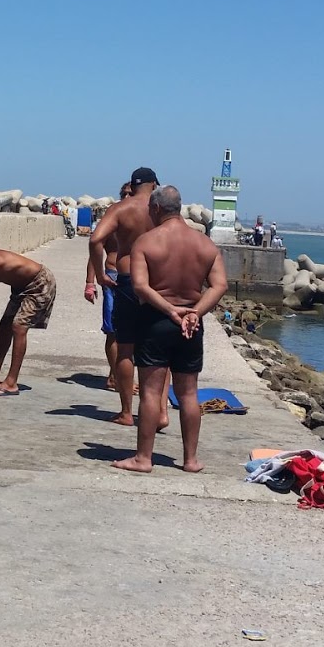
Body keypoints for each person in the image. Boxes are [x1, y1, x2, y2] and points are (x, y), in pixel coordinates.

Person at [114, 185, 227, 474]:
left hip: (156, 320)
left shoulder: (146, 242)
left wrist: (169, 310)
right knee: (188, 393)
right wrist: (195, 313)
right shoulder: (205, 244)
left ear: (155, 209)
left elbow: (140, 286)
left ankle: (143, 458)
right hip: (191, 324)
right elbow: (219, 286)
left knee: (151, 393)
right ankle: (191, 460)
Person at [89, 168, 161, 427]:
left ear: (132, 185)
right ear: (154, 185)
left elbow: (95, 240)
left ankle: (127, 413)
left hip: (127, 279)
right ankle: (159, 413)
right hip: (156, 282)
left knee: (126, 347)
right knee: (157, 349)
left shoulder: (120, 209)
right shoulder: (161, 210)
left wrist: (99, 276)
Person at [0, 250, 57, 396]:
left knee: (19, 327)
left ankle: (11, 383)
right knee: (5, 325)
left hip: (39, 282)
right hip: (21, 287)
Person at [86, 183, 133, 392]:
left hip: (136, 278)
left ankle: (122, 376)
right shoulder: (112, 216)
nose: (127, 196)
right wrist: (90, 282)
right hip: (112, 277)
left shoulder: (144, 217)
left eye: (130, 193)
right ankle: (115, 377)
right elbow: (95, 249)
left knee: (132, 332)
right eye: (123, 193)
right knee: (112, 331)